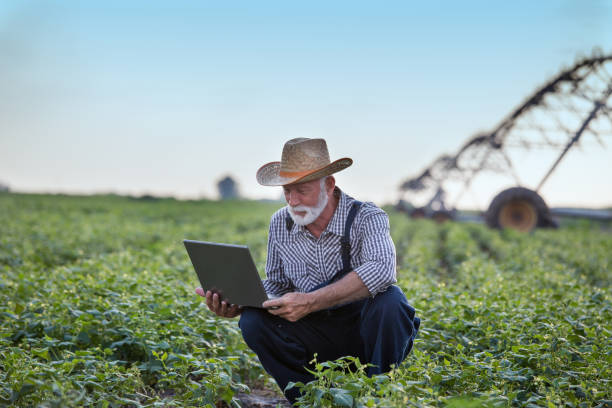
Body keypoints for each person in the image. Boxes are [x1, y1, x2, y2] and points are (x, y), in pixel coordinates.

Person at [195, 138, 420, 404]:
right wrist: (241, 301)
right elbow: (277, 283)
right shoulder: (280, 222)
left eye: (302, 190)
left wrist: (310, 301)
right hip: (315, 335)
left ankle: (380, 396)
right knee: (253, 322)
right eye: (287, 191)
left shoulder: (366, 216)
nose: (293, 200)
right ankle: (310, 399)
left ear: (329, 184)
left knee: (390, 302)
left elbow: (382, 270)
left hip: (365, 334)